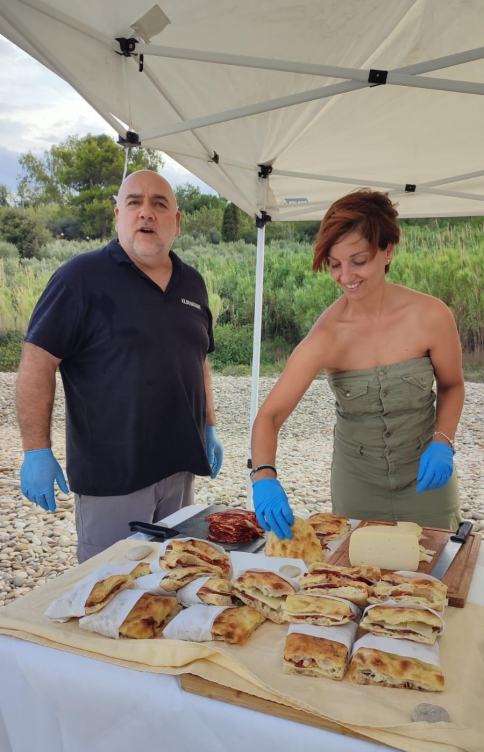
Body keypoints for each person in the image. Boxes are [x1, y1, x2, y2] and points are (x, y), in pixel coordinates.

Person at [17, 170, 223, 562]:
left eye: (159, 204)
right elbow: (38, 359)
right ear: (118, 215)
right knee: (107, 587)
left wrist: (209, 425)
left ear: (176, 222)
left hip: (180, 467)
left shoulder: (192, 284)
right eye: (134, 202)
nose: (146, 213)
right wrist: (35, 451)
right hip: (112, 476)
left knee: (172, 580)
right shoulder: (80, 278)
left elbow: (200, 359)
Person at [250, 189, 463, 539]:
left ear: (387, 250)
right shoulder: (327, 335)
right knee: (355, 582)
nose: (346, 275)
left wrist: (443, 440)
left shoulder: (431, 316)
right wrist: (264, 477)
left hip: (427, 483)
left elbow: (453, 385)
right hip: (357, 486)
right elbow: (269, 416)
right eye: (335, 264)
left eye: (358, 260)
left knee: (437, 578)